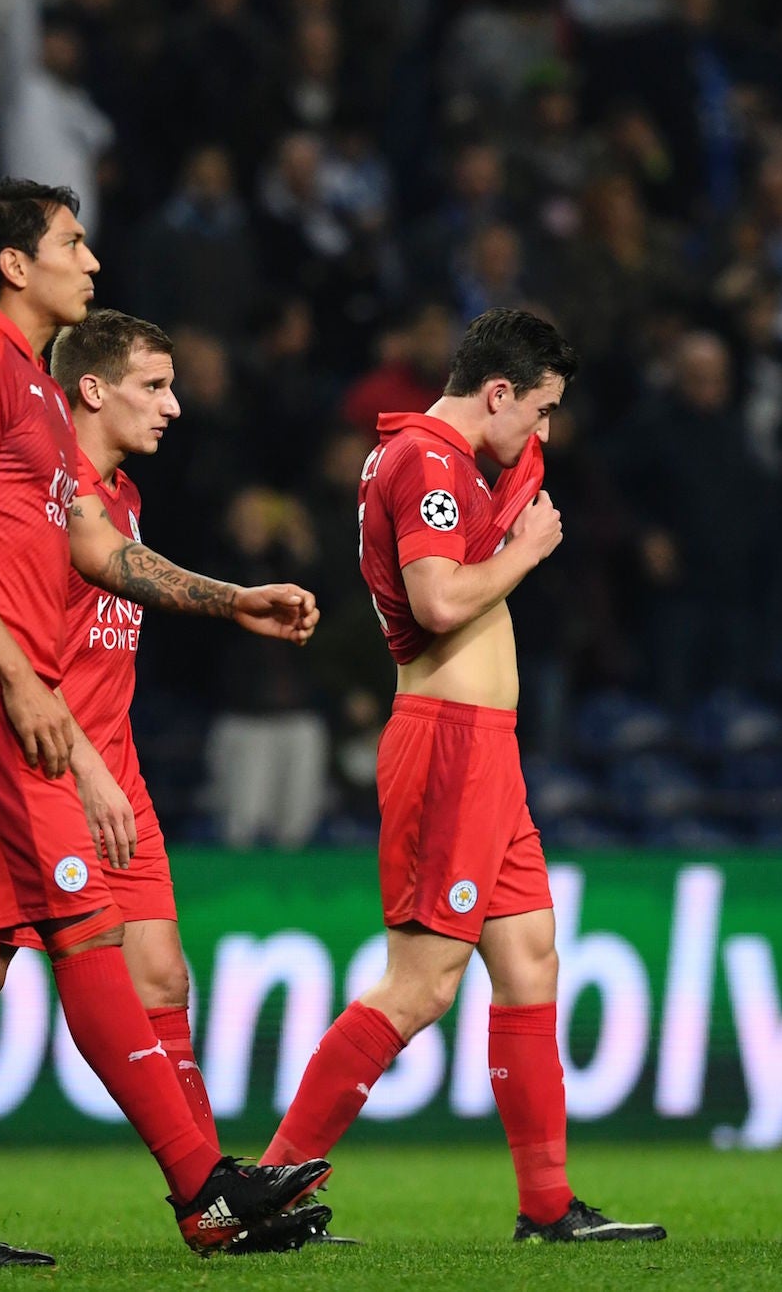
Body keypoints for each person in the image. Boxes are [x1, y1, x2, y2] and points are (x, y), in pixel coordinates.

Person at [0, 179, 330, 1268]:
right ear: (15, 265)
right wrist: (25, 681)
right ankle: (202, 1191)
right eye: (73, 243)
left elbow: (97, 548)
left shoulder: (25, 385)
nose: (93, 261)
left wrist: (233, 598)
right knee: (85, 936)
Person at [258, 308, 665, 1244]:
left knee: (528, 961)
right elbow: (440, 600)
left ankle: (549, 1206)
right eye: (542, 409)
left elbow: (519, 477)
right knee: (421, 985)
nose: (546, 430)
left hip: (486, 749)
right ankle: (266, 1189)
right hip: (447, 743)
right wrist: (525, 551)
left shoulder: (452, 460)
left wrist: (522, 479)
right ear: (497, 392)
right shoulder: (428, 463)